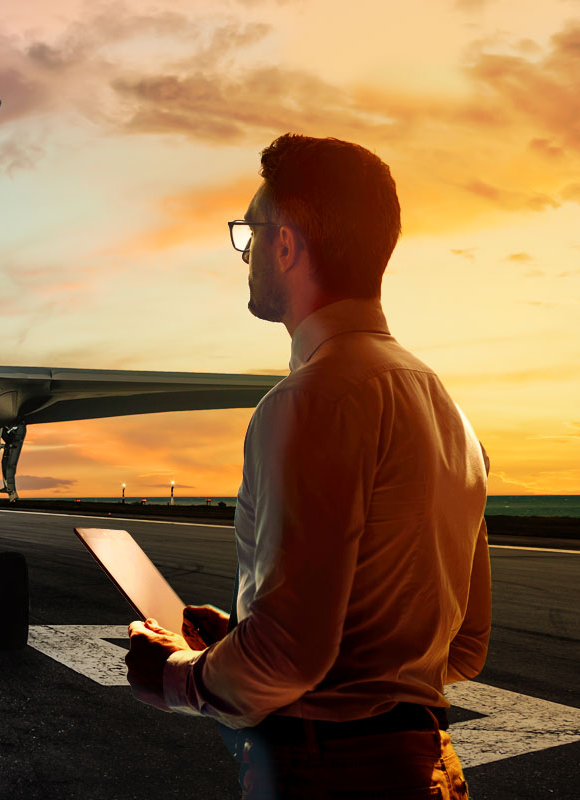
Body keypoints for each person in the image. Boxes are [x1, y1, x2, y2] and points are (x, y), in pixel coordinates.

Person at [123, 133, 492, 799]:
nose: (248, 254)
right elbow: (461, 648)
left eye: (249, 235)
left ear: (286, 244)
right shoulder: (450, 413)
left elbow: (290, 657)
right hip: (431, 769)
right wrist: (240, 636)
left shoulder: (307, 403)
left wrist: (174, 676)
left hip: (330, 773)